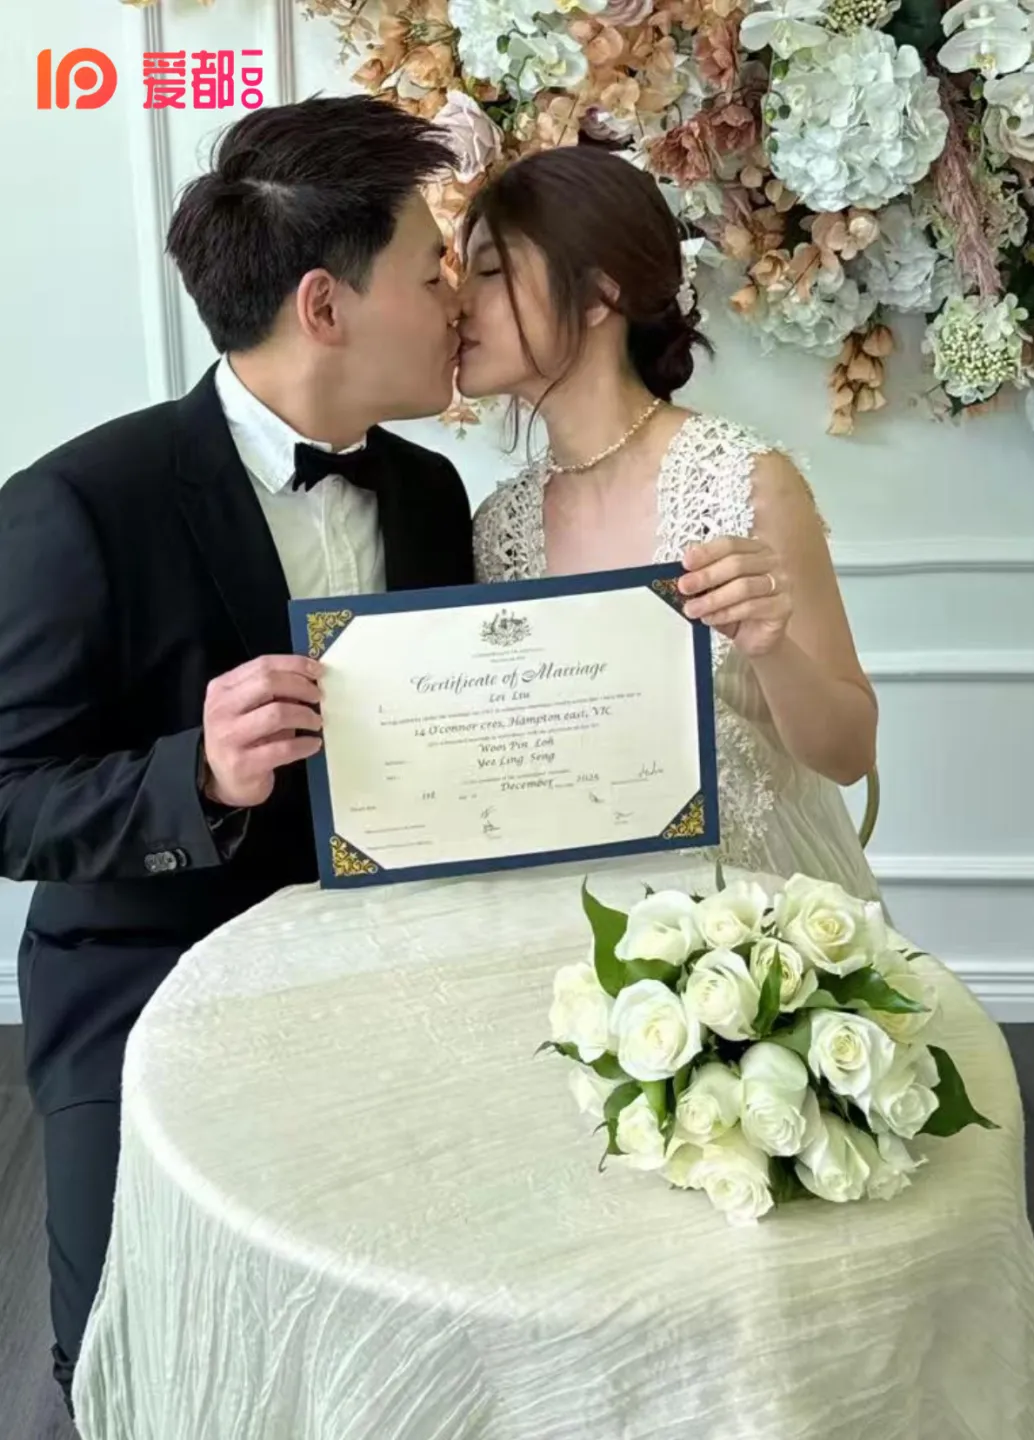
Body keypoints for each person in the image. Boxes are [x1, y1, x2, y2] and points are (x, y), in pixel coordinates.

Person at [0, 95, 472, 1413]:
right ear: (326, 306)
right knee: (132, 1358)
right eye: (432, 270)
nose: (458, 301)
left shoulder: (431, 495)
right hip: (146, 977)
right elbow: (9, 801)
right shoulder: (75, 507)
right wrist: (194, 778)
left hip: (390, 961)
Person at [460, 146, 878, 900]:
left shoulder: (746, 482)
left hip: (751, 920)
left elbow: (849, 754)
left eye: (490, 271)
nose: (460, 301)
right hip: (575, 919)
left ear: (597, 296)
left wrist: (772, 648)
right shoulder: (498, 528)